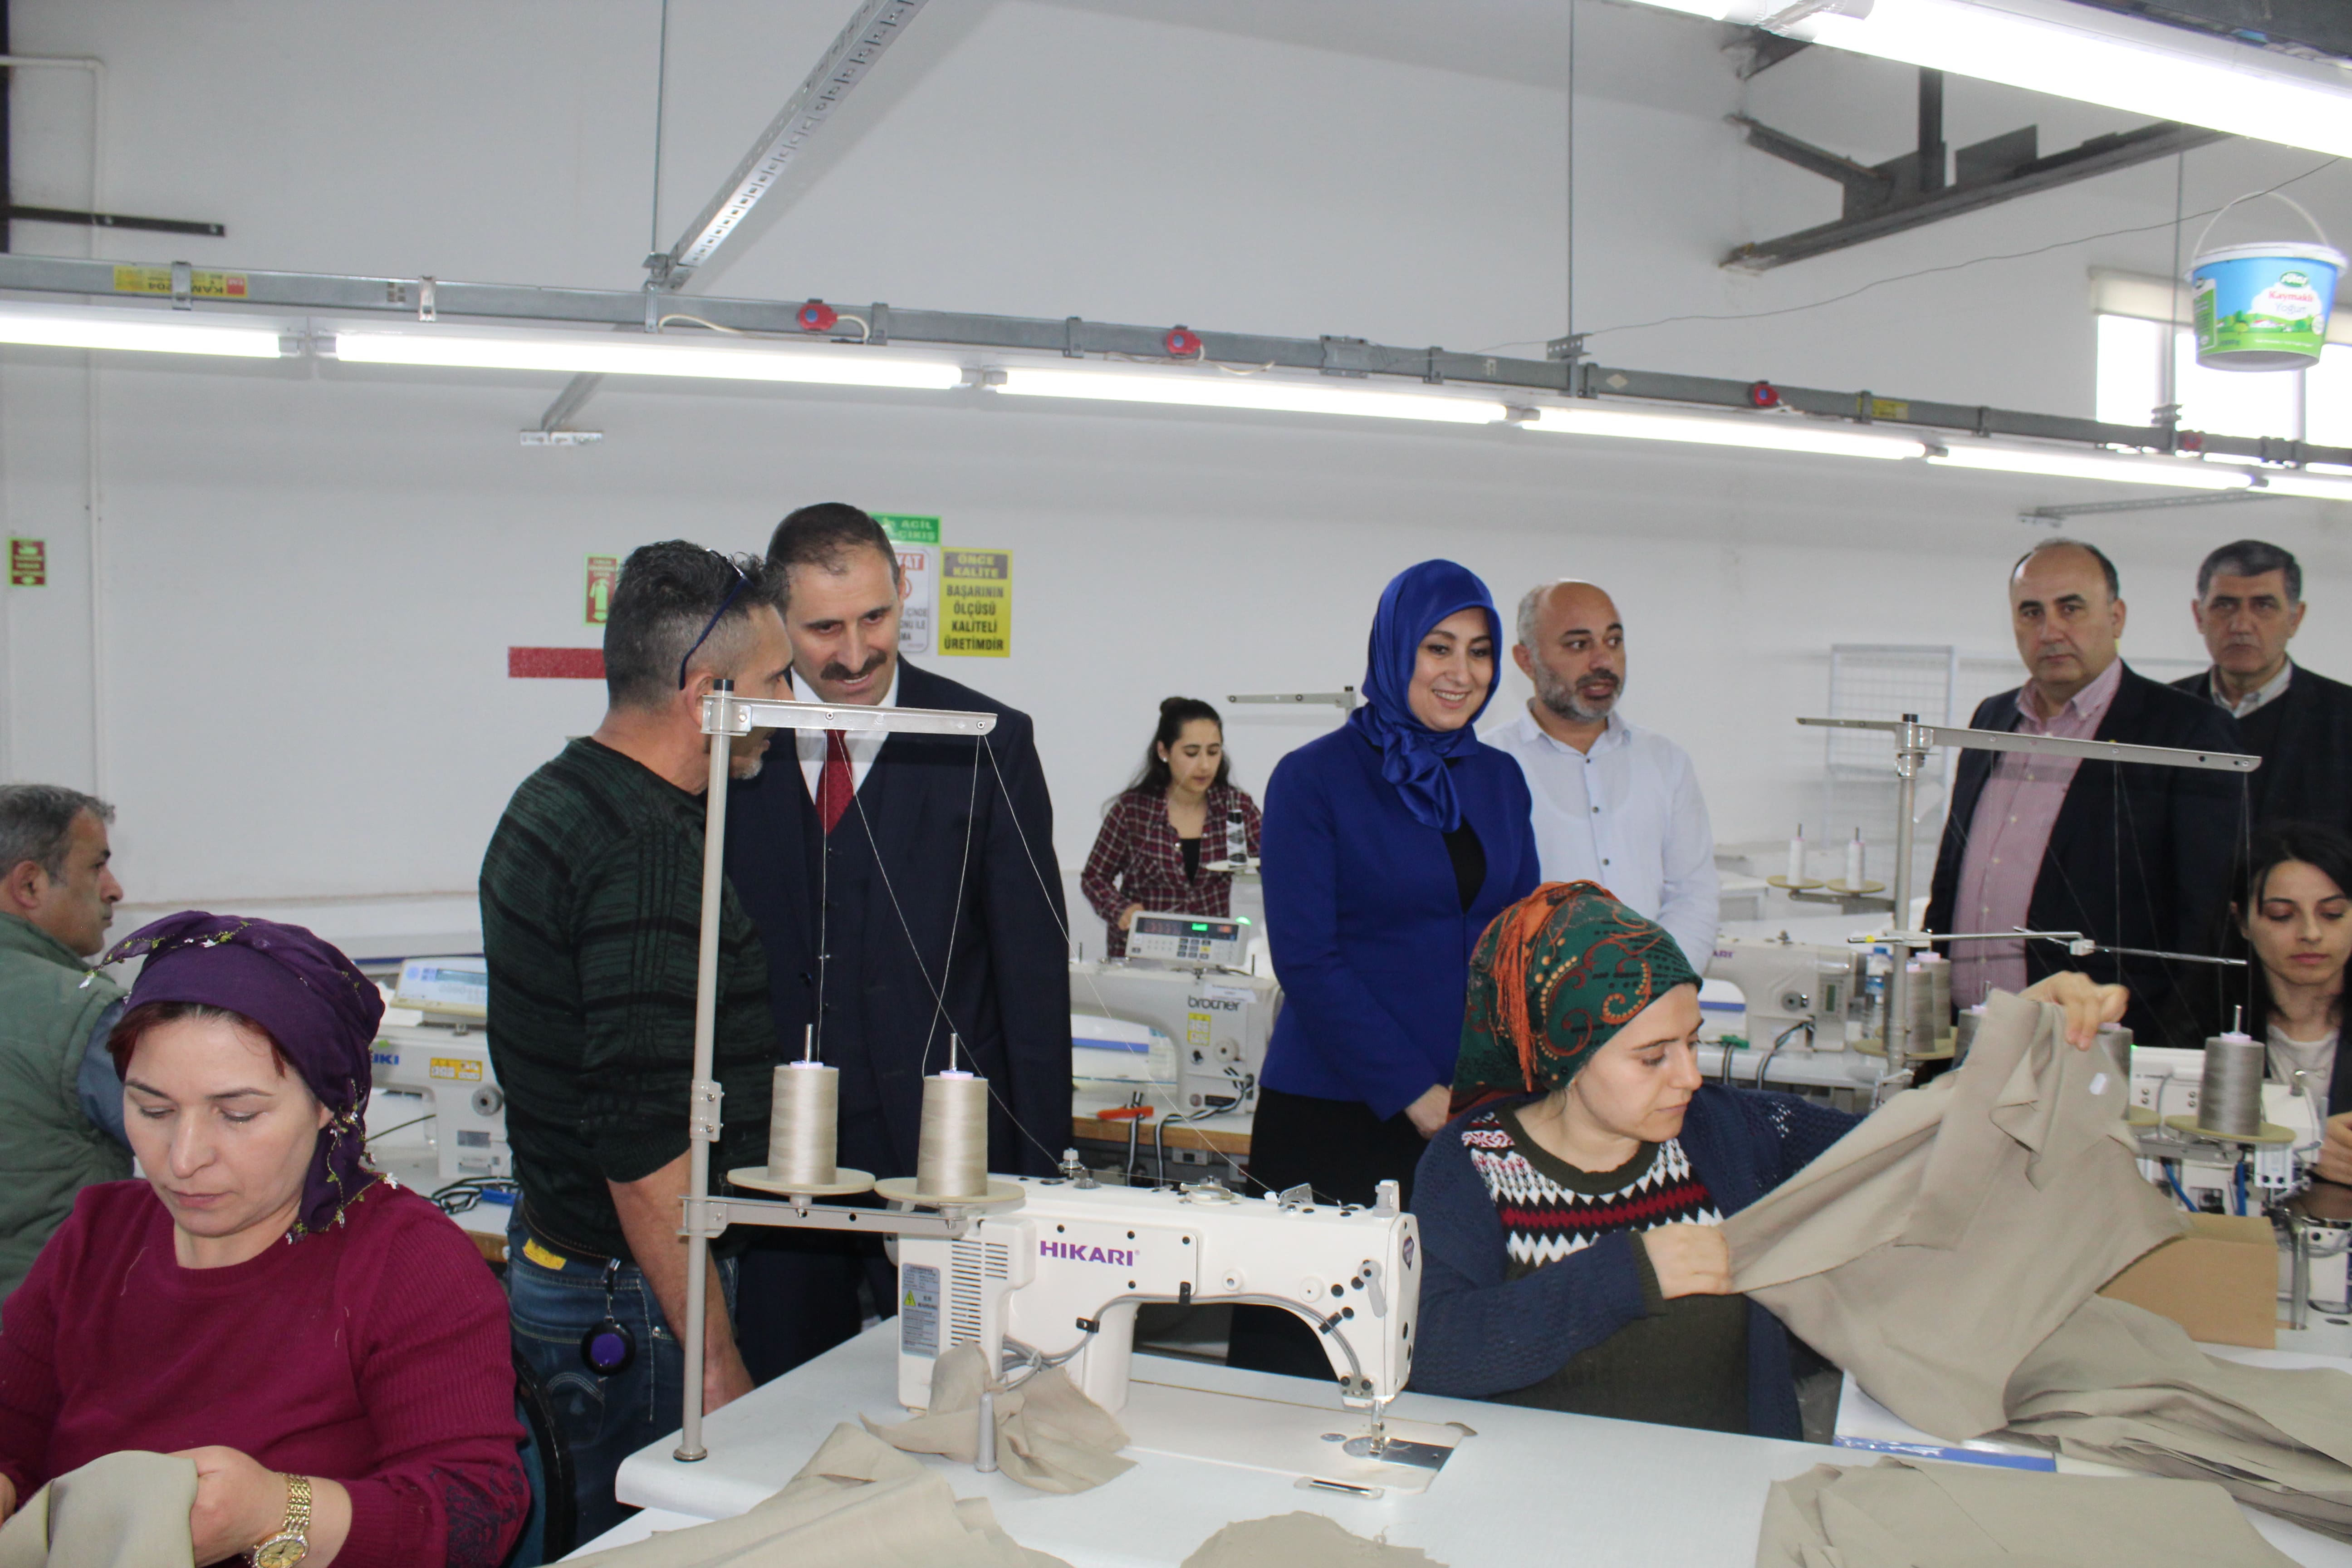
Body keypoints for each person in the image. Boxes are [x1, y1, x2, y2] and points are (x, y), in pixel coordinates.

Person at [1411, 882, 2129, 1435]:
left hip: (1724, 1501)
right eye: (1653, 1057)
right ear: (1562, 1054)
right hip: (1533, 1515)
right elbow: (1433, 1354)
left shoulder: (1728, 1132)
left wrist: (2017, 1038)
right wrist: (1630, 1274)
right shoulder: (1473, 1164)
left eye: (1693, 1043)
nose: (1689, 1077)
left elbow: (1900, 1151)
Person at [0, 912, 527, 1567]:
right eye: (152, 1110)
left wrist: (276, 1511)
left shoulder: (406, 1263)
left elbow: (475, 1517)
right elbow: (10, 1436)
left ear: (328, 1104)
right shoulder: (99, 1236)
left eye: (238, 1114)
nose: (184, 1158)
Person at [480, 540, 790, 1539]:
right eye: (776, 679)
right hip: (635, 1306)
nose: (789, 705)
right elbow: (641, 1134)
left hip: (562, 1268)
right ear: (708, 694)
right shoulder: (651, 850)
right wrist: (712, 1357)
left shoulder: (549, 798)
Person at [725, 503, 1070, 1382]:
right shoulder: (731, 747)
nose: (853, 654)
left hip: (945, 1154)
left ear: (904, 591)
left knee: (955, 1395)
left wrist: (1045, 1173)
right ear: (776, 621)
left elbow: (1031, 975)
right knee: (782, 1403)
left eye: (874, 619)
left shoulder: (992, 741)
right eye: (823, 629)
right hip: (780, 1157)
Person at [1227, 559, 1540, 1378]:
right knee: (1306, 1351)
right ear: (1395, 648)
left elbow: (1519, 936)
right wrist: (1412, 1091)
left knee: (1437, 1343)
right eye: (1437, 647)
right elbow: (1307, 956)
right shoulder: (1313, 778)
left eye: (1477, 652)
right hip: (1337, 1108)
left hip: (1468, 1114)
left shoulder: (1499, 780)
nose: (1459, 673)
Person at [1924, 538, 2241, 1047]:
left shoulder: (2186, 731)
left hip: (2091, 1044)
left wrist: (2144, 1038)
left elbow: (2201, 918)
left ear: (2116, 617)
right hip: (1965, 1037)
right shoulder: (1993, 718)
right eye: (2031, 612)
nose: (2051, 631)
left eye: (2071, 608)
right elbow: (1953, 875)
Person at [1484, 580, 1720, 969]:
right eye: (1579, 645)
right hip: (1536, 1015)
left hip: (1655, 1010)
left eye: (1614, 642)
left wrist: (1658, 989)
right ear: (1526, 660)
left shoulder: (1666, 762)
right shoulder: (1486, 766)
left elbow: (1693, 894)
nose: (1603, 661)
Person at [0, 784, 131, 1300]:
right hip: (40, 1340)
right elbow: (203, 1157)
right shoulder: (80, 1014)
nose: (114, 889)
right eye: (97, 866)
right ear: (30, 885)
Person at [2173, 539, 2352, 838]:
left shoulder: (2344, 719)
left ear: (2295, 618)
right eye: (2225, 604)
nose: (2242, 625)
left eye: (2263, 605)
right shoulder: (2162, 713)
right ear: (2199, 616)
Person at [2217, 823, 2352, 1181]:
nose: (2311, 933)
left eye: (2333, 913)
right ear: (2242, 921)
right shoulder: (2195, 1031)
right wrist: (2304, 1142)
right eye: (2282, 915)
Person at [1081, 697, 1263, 958]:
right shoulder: (1133, 810)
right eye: (1191, 753)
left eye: (1214, 752)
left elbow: (1274, 861)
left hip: (1210, 953)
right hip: (1143, 955)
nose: (1205, 766)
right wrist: (1120, 909)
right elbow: (1094, 877)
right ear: (1164, 751)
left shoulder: (1236, 806)